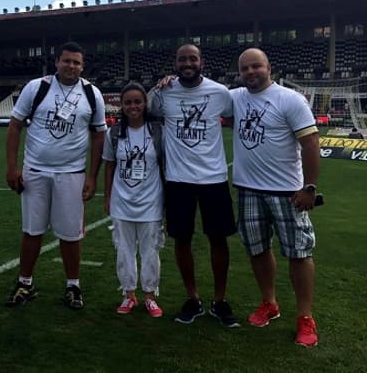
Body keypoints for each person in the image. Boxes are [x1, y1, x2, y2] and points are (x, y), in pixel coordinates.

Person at [5, 41, 107, 310]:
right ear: (56, 62)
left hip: (72, 173)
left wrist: (92, 177)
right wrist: (12, 167)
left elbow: (99, 136)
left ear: (82, 66)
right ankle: (25, 283)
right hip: (35, 171)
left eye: (76, 62)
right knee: (31, 230)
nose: (71, 66)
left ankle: (73, 286)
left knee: (71, 235)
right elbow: (15, 126)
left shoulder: (91, 93)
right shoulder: (37, 87)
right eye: (66, 61)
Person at [231, 48, 320, 347]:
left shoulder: (290, 99)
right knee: (256, 249)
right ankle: (269, 303)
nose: (251, 72)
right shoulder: (235, 97)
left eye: (256, 66)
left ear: (269, 67)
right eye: (245, 68)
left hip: (287, 192)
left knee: (299, 252)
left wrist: (309, 188)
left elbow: (310, 143)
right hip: (248, 189)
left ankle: (305, 317)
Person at [150, 44, 239, 327]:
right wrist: (158, 84)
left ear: (202, 62)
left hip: (214, 178)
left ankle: (220, 300)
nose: (187, 63)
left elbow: (237, 118)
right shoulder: (164, 93)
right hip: (178, 179)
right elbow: (148, 110)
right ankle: (193, 298)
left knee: (218, 238)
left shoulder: (220, 93)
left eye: (192, 59)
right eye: (182, 59)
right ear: (175, 63)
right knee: (182, 239)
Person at [102, 82, 165, 317]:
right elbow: (109, 166)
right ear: (122, 105)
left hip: (151, 200)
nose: (133, 106)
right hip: (122, 201)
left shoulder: (158, 131)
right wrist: (108, 196)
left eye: (137, 101)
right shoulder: (115, 133)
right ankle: (129, 294)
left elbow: (165, 163)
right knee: (124, 249)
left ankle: (150, 295)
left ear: (145, 103)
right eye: (128, 102)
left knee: (151, 250)